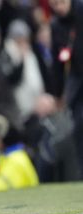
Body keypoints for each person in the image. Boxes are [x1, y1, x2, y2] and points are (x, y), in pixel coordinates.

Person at [49, 0, 83, 179]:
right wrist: (58, 93)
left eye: (61, 2)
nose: (58, 8)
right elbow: (57, 62)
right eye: (54, 4)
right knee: (79, 126)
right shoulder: (56, 24)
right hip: (78, 81)